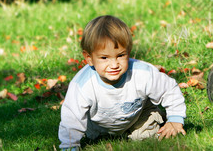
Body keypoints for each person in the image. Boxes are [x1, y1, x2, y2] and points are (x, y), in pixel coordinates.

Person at [59, 15, 186, 150]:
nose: (114, 64)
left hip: (137, 119)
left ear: (128, 52)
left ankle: (153, 123)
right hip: (98, 125)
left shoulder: (142, 74)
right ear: (89, 58)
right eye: (104, 58)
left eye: (120, 55)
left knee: (147, 135)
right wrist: (70, 146)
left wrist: (175, 119)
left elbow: (169, 89)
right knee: (90, 133)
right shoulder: (82, 85)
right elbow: (71, 118)